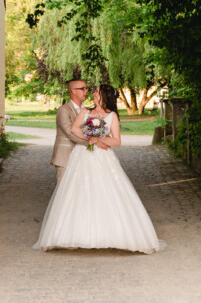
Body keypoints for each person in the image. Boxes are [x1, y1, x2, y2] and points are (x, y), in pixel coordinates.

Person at [34, 83, 163, 253]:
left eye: (96, 92)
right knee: (78, 192)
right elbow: (74, 129)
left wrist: (100, 140)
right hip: (82, 156)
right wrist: (89, 138)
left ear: (103, 96)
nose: (93, 94)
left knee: (105, 192)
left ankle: (110, 234)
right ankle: (71, 235)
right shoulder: (85, 111)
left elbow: (117, 141)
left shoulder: (112, 117)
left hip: (103, 158)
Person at [51, 79, 89, 183]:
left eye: (86, 88)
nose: (86, 91)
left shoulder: (87, 110)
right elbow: (70, 133)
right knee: (63, 193)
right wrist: (92, 142)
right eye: (82, 89)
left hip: (83, 157)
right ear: (73, 91)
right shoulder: (63, 110)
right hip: (65, 156)